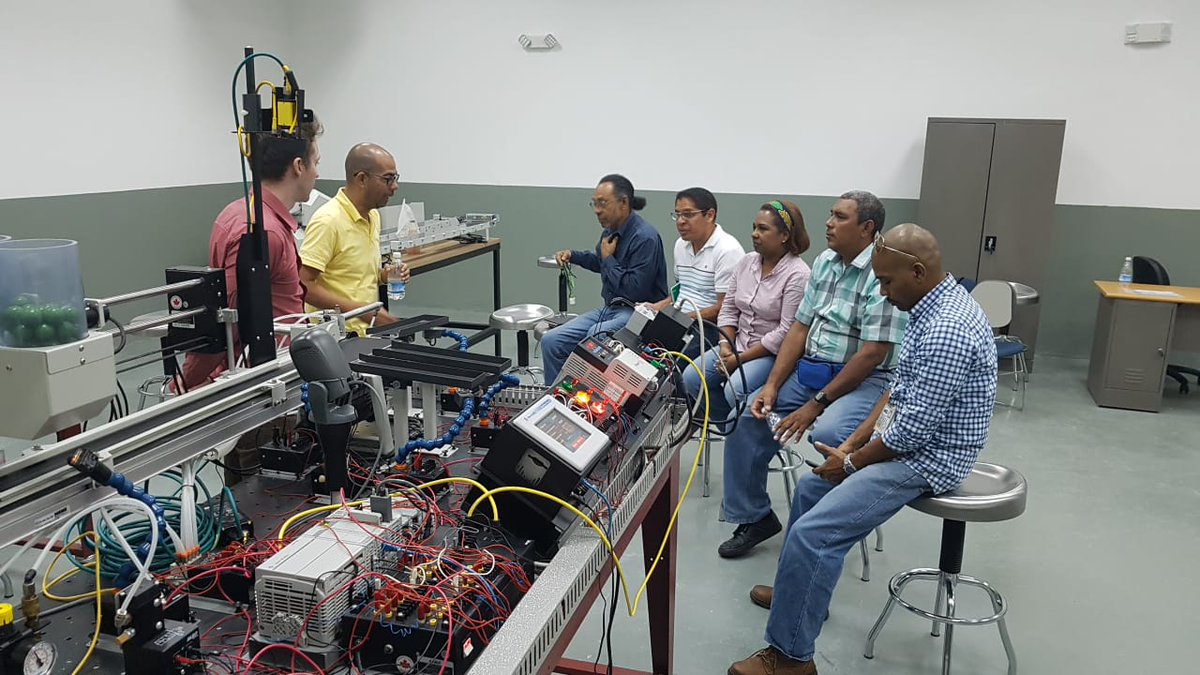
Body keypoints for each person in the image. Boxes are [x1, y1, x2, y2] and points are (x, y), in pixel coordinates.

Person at [726, 223, 998, 675]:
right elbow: (896, 389)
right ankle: (799, 594)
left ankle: (792, 658)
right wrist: (852, 443)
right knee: (813, 491)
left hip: (932, 458)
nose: (884, 293)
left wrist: (852, 461)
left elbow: (909, 436)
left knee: (817, 533)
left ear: (916, 271)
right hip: (907, 441)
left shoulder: (947, 329)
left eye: (888, 282)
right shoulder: (929, 306)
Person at [718, 190, 906, 559]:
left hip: (864, 382)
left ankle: (816, 542)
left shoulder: (882, 270)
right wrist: (771, 386)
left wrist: (816, 404)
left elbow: (872, 353)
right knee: (747, 420)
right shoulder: (825, 262)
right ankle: (755, 516)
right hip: (812, 373)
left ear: (867, 228)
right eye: (830, 214)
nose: (828, 223)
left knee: (829, 435)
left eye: (839, 217)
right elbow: (800, 328)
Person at [179, 119, 323, 390]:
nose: (317, 173)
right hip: (265, 380)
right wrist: (184, 386)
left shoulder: (235, 214)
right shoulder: (263, 232)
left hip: (276, 369)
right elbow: (228, 320)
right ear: (298, 166)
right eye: (315, 162)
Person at [682, 200, 810, 426]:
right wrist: (725, 346)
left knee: (736, 391)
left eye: (763, 229)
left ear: (784, 236)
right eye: (754, 227)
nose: (754, 234)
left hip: (769, 353)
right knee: (691, 378)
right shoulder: (746, 262)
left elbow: (785, 332)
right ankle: (730, 427)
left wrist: (737, 360)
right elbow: (729, 308)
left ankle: (747, 436)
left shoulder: (797, 274)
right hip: (735, 345)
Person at [541, 174, 668, 384]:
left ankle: (582, 403)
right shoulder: (610, 232)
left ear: (624, 202)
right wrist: (574, 256)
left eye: (603, 203)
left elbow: (634, 288)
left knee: (595, 337)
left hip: (639, 312)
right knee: (551, 341)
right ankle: (555, 401)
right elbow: (601, 263)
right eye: (594, 203)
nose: (597, 210)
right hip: (611, 308)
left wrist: (608, 258)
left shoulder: (645, 237)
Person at [299, 143, 410, 337]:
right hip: (335, 338)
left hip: (364, 334)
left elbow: (354, 274)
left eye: (395, 178)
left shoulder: (373, 216)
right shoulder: (328, 221)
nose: (395, 186)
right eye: (388, 179)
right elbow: (304, 285)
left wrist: (385, 276)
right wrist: (364, 312)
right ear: (362, 179)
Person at [644, 187, 744, 359]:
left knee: (668, 362)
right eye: (677, 215)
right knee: (640, 348)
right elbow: (682, 290)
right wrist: (657, 307)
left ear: (710, 215)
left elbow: (726, 308)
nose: (680, 221)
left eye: (688, 215)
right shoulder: (680, 245)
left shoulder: (728, 250)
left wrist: (683, 319)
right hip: (682, 320)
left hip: (710, 328)